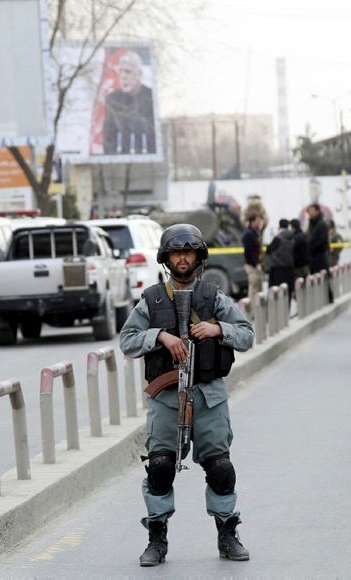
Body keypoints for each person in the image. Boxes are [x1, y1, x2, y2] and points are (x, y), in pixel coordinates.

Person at [119, 224, 254, 567]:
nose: (182, 258)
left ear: (198, 257)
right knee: (161, 467)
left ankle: (228, 534)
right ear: (167, 258)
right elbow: (127, 340)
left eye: (188, 252)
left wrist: (218, 329)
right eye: (176, 253)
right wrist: (160, 336)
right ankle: (157, 539)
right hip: (165, 398)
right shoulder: (151, 299)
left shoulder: (214, 298)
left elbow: (246, 334)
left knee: (221, 468)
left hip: (209, 398)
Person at [101, 50, 156, 155]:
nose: (123, 76)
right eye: (120, 71)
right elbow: (108, 138)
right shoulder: (113, 99)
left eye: (127, 71)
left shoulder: (150, 97)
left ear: (139, 74)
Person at [267, 218, 295, 303]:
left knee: (277, 292)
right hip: (289, 268)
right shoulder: (292, 237)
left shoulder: (278, 238)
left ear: (279, 226)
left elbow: (269, 250)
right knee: (288, 291)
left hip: (278, 269)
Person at [242, 214, 264, 301]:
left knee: (258, 288)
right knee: (254, 289)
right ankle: (251, 312)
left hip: (256, 264)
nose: (259, 223)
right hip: (252, 266)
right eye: (258, 221)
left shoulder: (254, 232)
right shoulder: (248, 234)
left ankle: (257, 311)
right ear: (253, 222)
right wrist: (255, 264)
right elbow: (248, 251)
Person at [305, 203, 330, 275]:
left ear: (317, 211)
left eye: (311, 210)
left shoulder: (321, 224)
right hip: (313, 260)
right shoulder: (311, 224)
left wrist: (311, 247)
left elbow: (321, 241)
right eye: (308, 211)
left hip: (321, 259)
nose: (310, 213)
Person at [290, 218, 310, 282]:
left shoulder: (294, 238)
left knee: (299, 285)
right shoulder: (306, 236)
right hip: (306, 265)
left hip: (297, 266)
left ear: (292, 227)